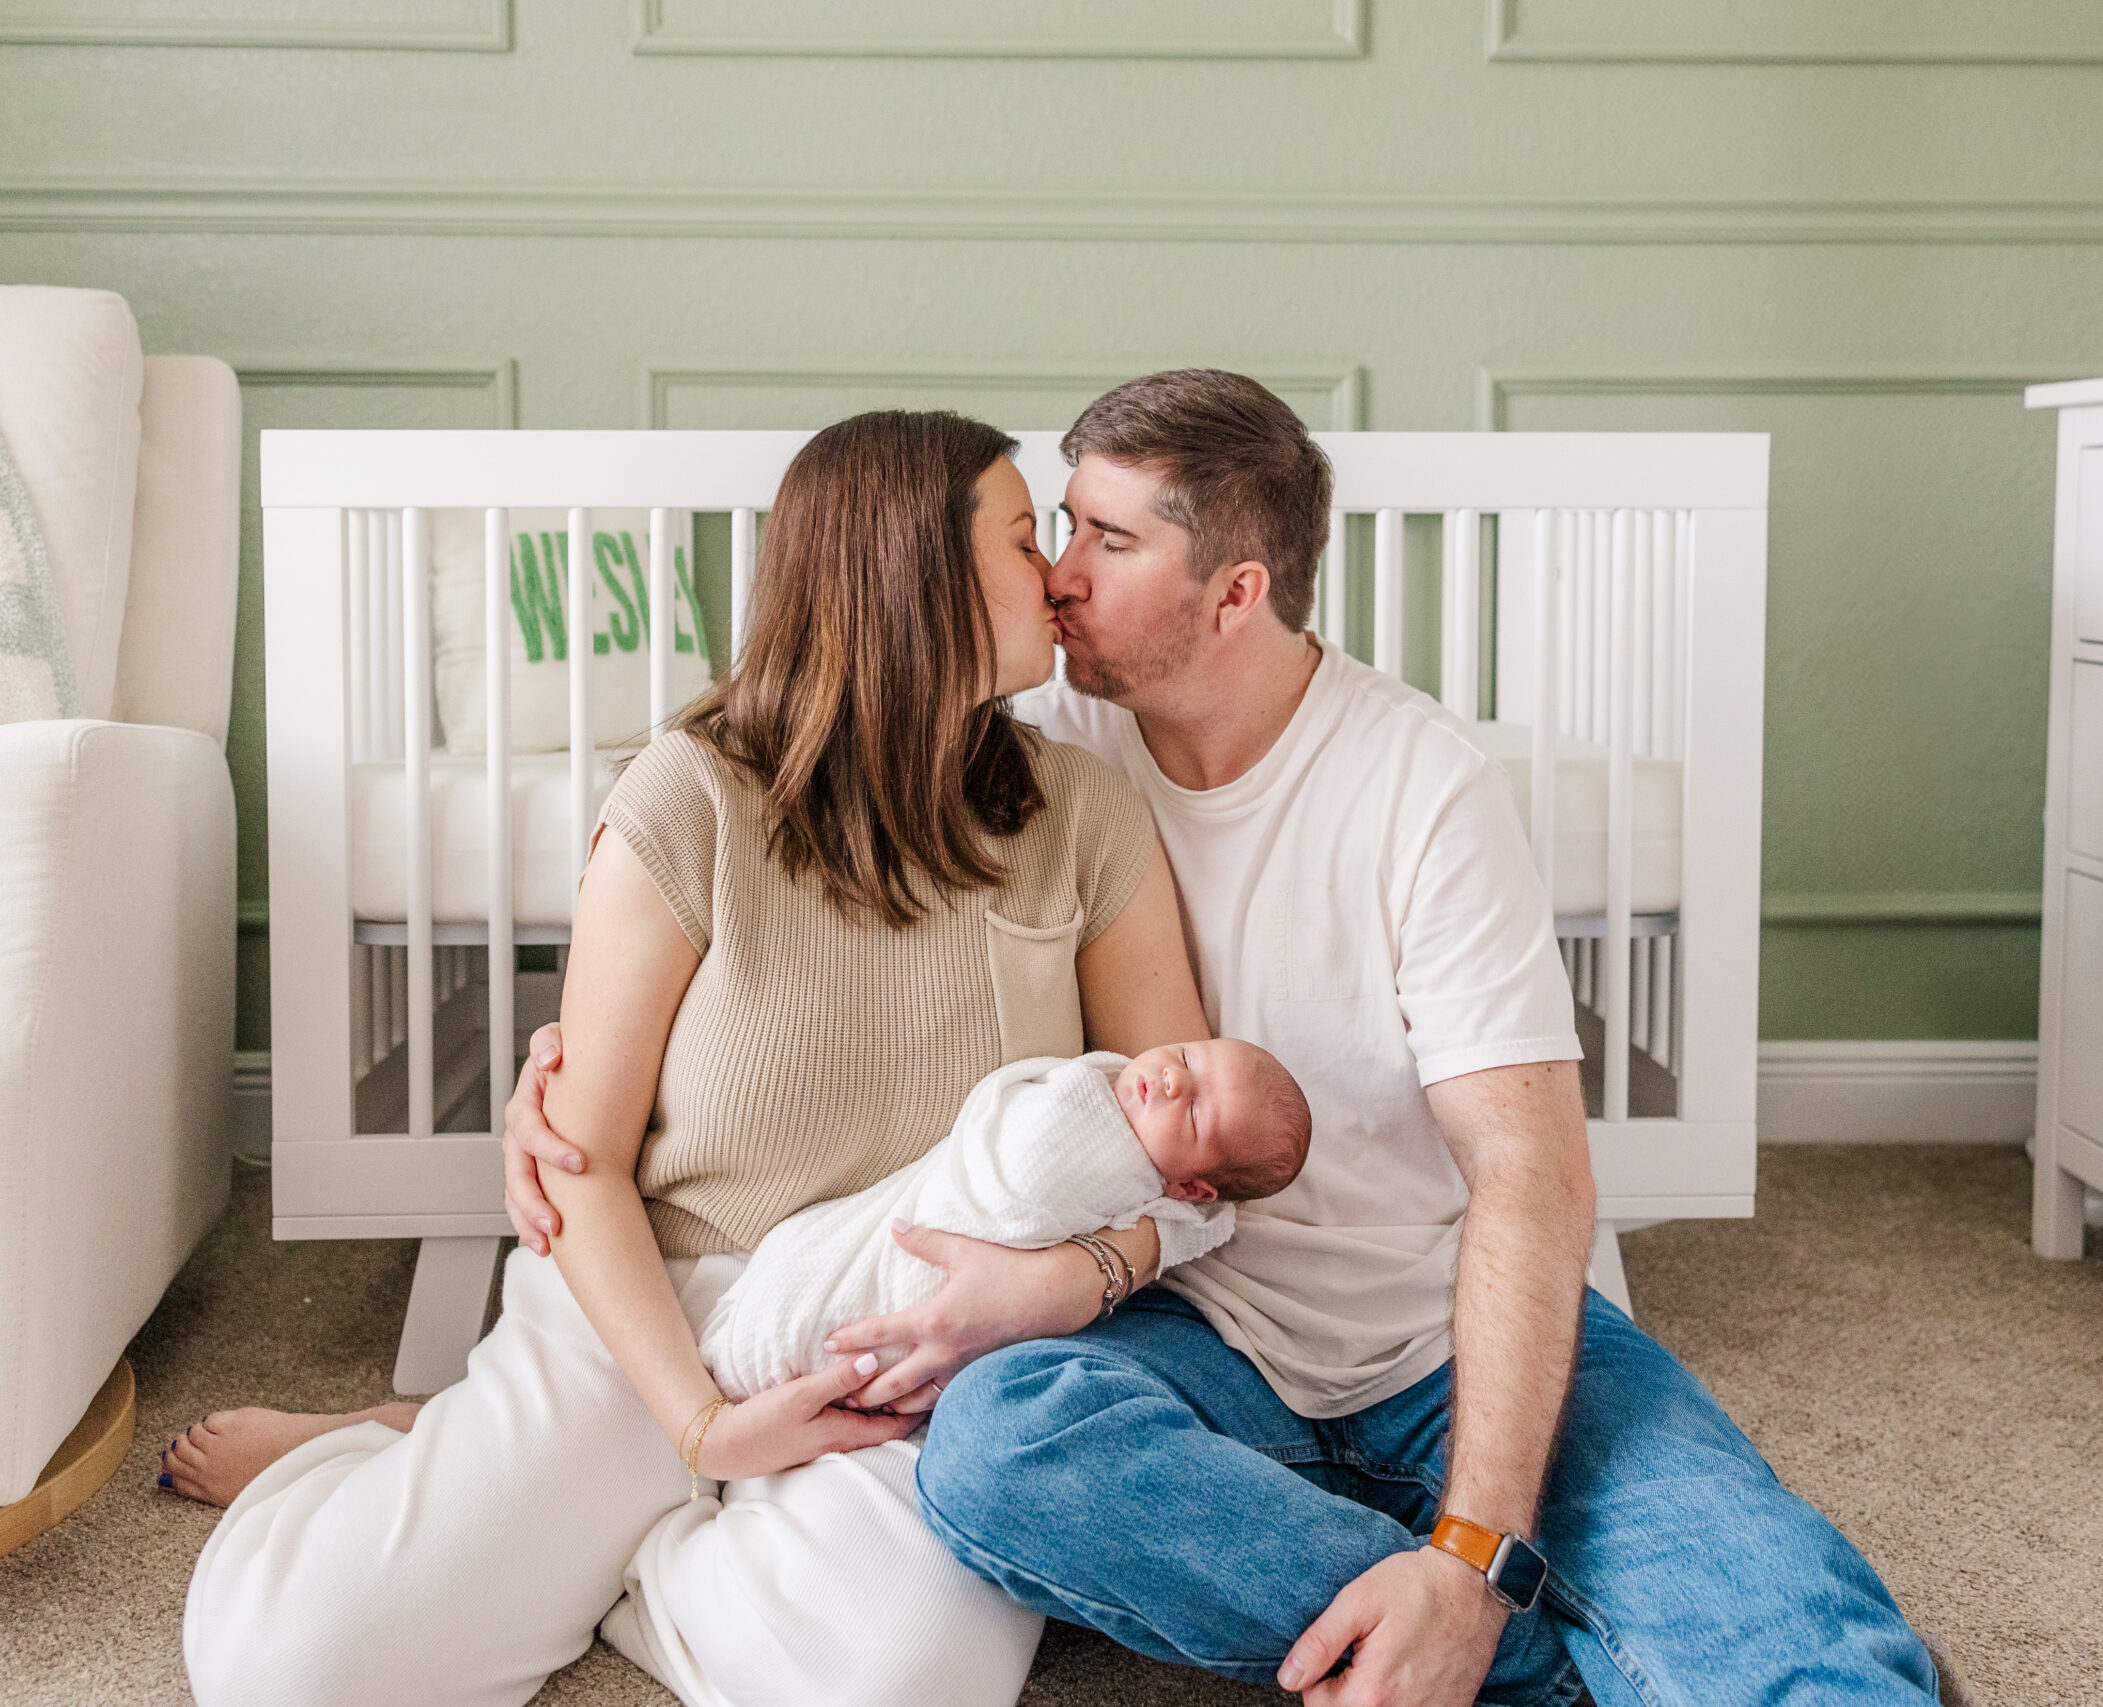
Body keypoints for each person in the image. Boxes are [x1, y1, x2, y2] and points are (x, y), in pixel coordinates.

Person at [506, 369, 1945, 1705]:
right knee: (1004, 1451)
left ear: (1235, 590)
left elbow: (1528, 1168)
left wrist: (1476, 1531)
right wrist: (572, 1067)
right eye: (1058, 526)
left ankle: (1476, 1611)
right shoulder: (1029, 744)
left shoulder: (1420, 782)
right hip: (1170, 1331)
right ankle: (1487, 1640)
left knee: (1797, 1647)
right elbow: (782, 803)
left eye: (1107, 541)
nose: (1059, 572)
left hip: (1429, 1336)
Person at [169, 411, 1225, 1707]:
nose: (1062, 574)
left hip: (902, 1336)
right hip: (651, 1310)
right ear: (912, 574)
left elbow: (1181, 1147)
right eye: (1026, 539)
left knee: (912, 1681)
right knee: (289, 1670)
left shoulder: (1084, 815)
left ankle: (628, 1555)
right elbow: (586, 1158)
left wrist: (1063, 1278)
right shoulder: (691, 793)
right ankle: (382, 1464)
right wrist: (700, 1422)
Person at [697, 1039, 1311, 1398]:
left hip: (927, 1284)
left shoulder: (1128, 1176)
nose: (1174, 1080)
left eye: (1198, 1114)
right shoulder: (1090, 1093)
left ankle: (760, 1359)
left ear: (1193, 1187)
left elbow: (1025, 1182)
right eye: (1185, 1055)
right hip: (766, 1248)